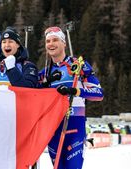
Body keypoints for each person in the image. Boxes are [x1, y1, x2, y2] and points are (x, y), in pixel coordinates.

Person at [38, 26, 104, 169]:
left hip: (74, 126)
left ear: (64, 43)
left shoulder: (78, 66)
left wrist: (75, 91)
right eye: (48, 41)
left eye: (55, 40)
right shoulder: (44, 73)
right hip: (53, 128)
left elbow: (99, 93)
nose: (51, 44)